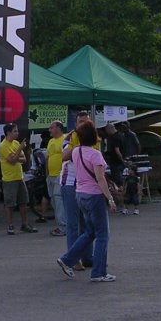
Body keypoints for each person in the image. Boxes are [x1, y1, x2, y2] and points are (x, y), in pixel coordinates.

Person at [56, 121, 118, 282]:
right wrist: (110, 198)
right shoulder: (95, 154)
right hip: (94, 196)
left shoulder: (76, 151)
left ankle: (67, 259)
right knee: (103, 234)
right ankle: (99, 272)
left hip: (80, 194)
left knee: (89, 232)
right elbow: (100, 178)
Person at [59, 111, 95, 269]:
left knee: (87, 223)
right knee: (73, 223)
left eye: (86, 122)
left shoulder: (94, 139)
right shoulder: (70, 137)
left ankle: (87, 256)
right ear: (76, 123)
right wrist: (80, 149)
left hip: (86, 184)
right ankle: (73, 259)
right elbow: (65, 155)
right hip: (70, 182)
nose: (83, 125)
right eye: (80, 121)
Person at [0, 123, 37, 235]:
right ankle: (10, 225)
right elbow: (12, 160)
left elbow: (23, 159)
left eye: (17, 131)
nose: (17, 133)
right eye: (15, 131)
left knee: (23, 201)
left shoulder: (15, 143)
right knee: (10, 203)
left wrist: (16, 156)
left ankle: (24, 224)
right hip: (9, 178)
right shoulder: (4, 145)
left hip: (19, 176)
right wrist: (19, 150)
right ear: (8, 132)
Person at [111, 121, 142, 215]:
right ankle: (124, 203)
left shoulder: (132, 135)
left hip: (131, 158)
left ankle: (132, 204)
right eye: (122, 126)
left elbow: (138, 145)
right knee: (124, 178)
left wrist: (137, 155)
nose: (123, 128)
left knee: (132, 179)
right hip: (124, 158)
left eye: (125, 126)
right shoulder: (121, 135)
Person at [45, 121, 66, 237]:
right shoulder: (51, 141)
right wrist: (47, 174)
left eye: (51, 128)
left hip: (60, 174)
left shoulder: (65, 139)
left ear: (58, 128)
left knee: (59, 201)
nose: (50, 130)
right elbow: (48, 158)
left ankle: (63, 227)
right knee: (54, 201)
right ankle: (61, 224)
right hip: (51, 175)